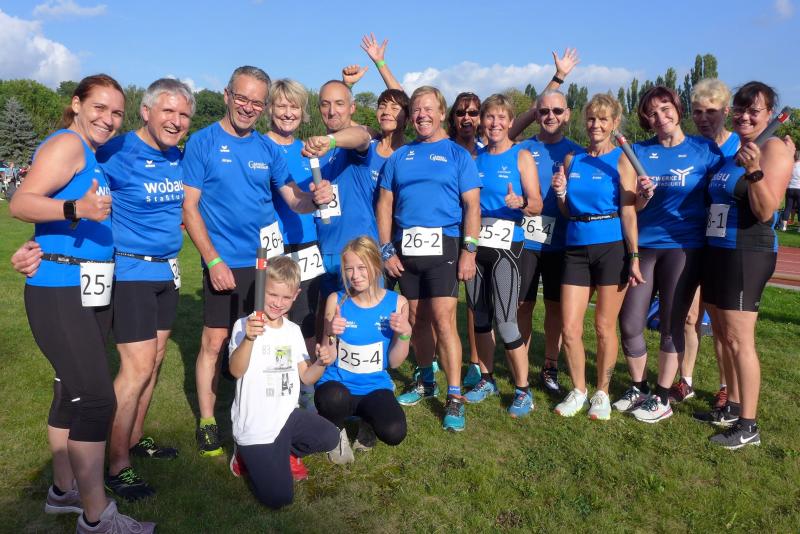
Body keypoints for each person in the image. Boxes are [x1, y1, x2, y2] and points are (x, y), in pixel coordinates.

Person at [9, 74, 153, 533]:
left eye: (116, 112)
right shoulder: (68, 144)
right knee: (95, 399)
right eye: (100, 108)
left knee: (68, 389)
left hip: (87, 286)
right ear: (76, 104)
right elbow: (20, 202)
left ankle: (63, 489)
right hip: (61, 288)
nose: (109, 119)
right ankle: (97, 518)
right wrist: (75, 210)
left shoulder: (90, 153)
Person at [182, 66, 333, 457]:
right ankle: (208, 420)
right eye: (242, 98)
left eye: (256, 102)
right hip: (224, 261)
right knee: (215, 341)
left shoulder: (266, 149)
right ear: (227, 94)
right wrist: (212, 260)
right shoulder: (202, 142)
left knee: (263, 338)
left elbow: (293, 197)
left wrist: (313, 199)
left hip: (267, 261)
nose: (248, 107)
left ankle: (267, 413)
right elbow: (190, 207)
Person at [96, 78, 195, 500]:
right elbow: (74, 188)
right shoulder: (114, 152)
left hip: (167, 273)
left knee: (153, 362)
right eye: (168, 111)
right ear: (146, 111)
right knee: (135, 368)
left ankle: (135, 438)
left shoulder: (178, 156)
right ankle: (116, 465)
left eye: (184, 114)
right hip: (130, 272)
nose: (176, 121)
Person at [614, 86, 724, 423]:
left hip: (684, 248)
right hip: (646, 247)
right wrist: (643, 198)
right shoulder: (637, 152)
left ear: (677, 108)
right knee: (630, 322)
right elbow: (628, 208)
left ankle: (663, 397)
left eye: (665, 108)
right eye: (652, 113)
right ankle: (639, 387)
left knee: (672, 324)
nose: (660, 117)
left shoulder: (705, 150)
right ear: (646, 119)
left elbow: (721, 193)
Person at [377, 85, 481, 432]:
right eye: (417, 109)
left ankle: (455, 395)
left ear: (440, 113)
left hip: (444, 245)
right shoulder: (399, 157)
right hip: (406, 247)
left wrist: (469, 251)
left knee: (443, 319)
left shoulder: (457, 155)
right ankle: (426, 381)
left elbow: (472, 206)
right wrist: (386, 249)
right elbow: (385, 205)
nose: (422, 115)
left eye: (428, 109)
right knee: (417, 318)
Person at [699, 82, 794, 448]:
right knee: (723, 335)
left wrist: (754, 171)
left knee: (740, 339)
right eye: (740, 109)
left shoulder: (773, 149)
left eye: (754, 111)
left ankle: (749, 425)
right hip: (719, 249)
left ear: (769, 115)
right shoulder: (734, 152)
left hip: (747, 251)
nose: (745, 116)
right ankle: (733, 406)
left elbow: (766, 210)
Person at [550, 93, 643, 420]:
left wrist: (634, 255)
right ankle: (578, 390)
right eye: (591, 119)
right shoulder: (572, 159)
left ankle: (601, 392)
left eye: (603, 119)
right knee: (569, 327)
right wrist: (560, 193)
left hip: (611, 248)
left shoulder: (622, 159)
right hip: (576, 247)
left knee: (604, 327)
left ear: (614, 123)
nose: (596, 125)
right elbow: (566, 210)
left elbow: (629, 212)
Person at [227, 256, 340, 508]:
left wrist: (322, 362)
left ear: (296, 295)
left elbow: (306, 376)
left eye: (286, 297)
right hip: (255, 427)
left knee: (330, 436)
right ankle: (242, 455)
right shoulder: (244, 326)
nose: (278, 303)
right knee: (279, 498)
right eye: (272, 295)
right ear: (261, 290)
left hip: (286, 417)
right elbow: (235, 370)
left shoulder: (292, 331)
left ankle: (284, 450)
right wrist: (248, 339)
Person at [462, 94, 543, 417]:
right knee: (480, 316)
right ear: (482, 121)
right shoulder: (474, 158)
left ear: (510, 122)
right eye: (489, 117)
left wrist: (520, 203)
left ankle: (523, 390)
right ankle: (487, 379)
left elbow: (537, 204)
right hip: (476, 245)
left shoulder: (521, 156)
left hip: (508, 247)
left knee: (506, 321)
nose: (494, 123)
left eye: (501, 118)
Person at [315, 237, 412, 463]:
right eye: (349, 269)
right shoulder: (336, 301)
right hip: (338, 385)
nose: (355, 275)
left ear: (376, 265)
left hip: (374, 386)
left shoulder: (398, 303)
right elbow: (328, 356)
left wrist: (405, 334)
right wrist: (330, 333)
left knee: (395, 431)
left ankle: (368, 421)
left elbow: (395, 362)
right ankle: (336, 431)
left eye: (362, 268)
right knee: (332, 398)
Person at [517, 90, 584, 396]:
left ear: (567, 114)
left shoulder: (576, 153)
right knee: (523, 305)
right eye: (544, 111)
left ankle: (550, 366)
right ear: (536, 114)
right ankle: (520, 364)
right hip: (526, 242)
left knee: (555, 308)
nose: (550, 116)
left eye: (557, 111)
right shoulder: (521, 149)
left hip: (561, 243)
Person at [680, 79, 741, 411]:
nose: (703, 118)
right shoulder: (689, 146)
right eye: (697, 112)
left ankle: (725, 386)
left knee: (720, 323)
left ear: (726, 111)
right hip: (692, 240)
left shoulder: (739, 145)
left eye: (711, 112)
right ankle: (685, 380)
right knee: (690, 318)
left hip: (724, 245)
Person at [780, 151, 800, 231]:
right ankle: (799, 228)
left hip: (790, 188)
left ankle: (784, 227)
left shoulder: (790, 166)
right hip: (798, 189)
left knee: (788, 208)